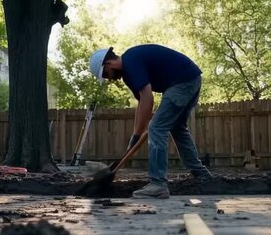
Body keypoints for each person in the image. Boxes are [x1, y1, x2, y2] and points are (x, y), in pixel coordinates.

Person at [89, 44, 212, 199]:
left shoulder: (130, 62)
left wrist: (139, 134)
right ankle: (202, 175)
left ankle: (158, 184)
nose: (110, 79)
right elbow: (141, 104)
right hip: (191, 78)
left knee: (156, 128)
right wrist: (135, 136)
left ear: (108, 64)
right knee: (177, 127)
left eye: (106, 75)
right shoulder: (130, 69)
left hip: (182, 82)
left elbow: (148, 99)